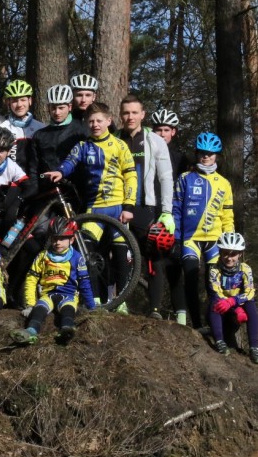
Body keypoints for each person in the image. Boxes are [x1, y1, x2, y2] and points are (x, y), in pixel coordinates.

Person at [42, 103, 137, 306]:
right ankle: (92, 300)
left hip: (118, 209)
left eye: (99, 121)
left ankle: (121, 303)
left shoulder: (120, 146)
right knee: (88, 254)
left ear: (109, 121)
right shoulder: (83, 146)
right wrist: (60, 172)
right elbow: (70, 162)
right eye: (91, 121)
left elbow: (131, 177)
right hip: (94, 209)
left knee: (121, 255)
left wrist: (129, 207)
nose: (95, 125)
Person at [117, 95, 174, 319]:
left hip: (146, 206)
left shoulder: (154, 140)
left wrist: (167, 212)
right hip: (119, 205)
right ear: (121, 115)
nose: (130, 117)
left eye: (134, 112)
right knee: (120, 254)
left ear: (142, 115)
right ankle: (120, 304)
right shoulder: (114, 138)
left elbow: (166, 177)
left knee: (153, 257)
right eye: (126, 113)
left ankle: (155, 309)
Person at [173, 132, 235, 330]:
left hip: (215, 240)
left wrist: (229, 240)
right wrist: (176, 236)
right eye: (201, 153)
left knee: (214, 285)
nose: (205, 157)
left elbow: (227, 216)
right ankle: (196, 324)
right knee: (190, 280)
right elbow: (176, 208)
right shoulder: (185, 178)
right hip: (190, 238)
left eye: (209, 153)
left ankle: (216, 326)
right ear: (196, 153)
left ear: (216, 155)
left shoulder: (224, 183)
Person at [11, 217, 96, 345]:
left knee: (68, 309)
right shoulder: (42, 256)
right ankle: (31, 331)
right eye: (54, 238)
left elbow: (84, 283)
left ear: (72, 239)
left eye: (62, 238)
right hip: (47, 295)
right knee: (38, 310)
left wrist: (92, 307)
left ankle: (67, 329)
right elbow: (31, 279)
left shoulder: (78, 258)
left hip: (69, 296)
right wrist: (29, 304)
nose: (57, 242)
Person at [151, 107, 189, 324]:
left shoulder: (180, 158)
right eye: (158, 130)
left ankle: (182, 315)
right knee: (153, 263)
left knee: (175, 266)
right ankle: (153, 308)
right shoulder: (147, 153)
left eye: (166, 130)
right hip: (151, 213)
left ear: (173, 132)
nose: (162, 134)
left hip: (173, 216)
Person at [207, 232, 258, 364]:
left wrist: (235, 303)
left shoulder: (245, 269)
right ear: (220, 252)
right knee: (214, 303)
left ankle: (254, 347)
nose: (229, 258)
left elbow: (250, 292)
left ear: (240, 254)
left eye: (233, 254)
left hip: (237, 303)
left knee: (251, 305)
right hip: (221, 303)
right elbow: (216, 292)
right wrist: (229, 303)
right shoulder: (214, 269)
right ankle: (219, 341)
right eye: (225, 253)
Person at [29, 84, 87, 195]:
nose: (57, 112)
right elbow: (33, 168)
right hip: (48, 190)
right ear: (48, 108)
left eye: (61, 108)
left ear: (69, 107)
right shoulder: (39, 135)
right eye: (53, 108)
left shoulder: (81, 130)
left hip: (75, 190)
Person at [0, 79, 44, 173]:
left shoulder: (41, 128)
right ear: (9, 103)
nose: (19, 104)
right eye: (15, 101)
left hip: (36, 180)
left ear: (30, 101)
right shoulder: (2, 129)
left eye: (23, 100)